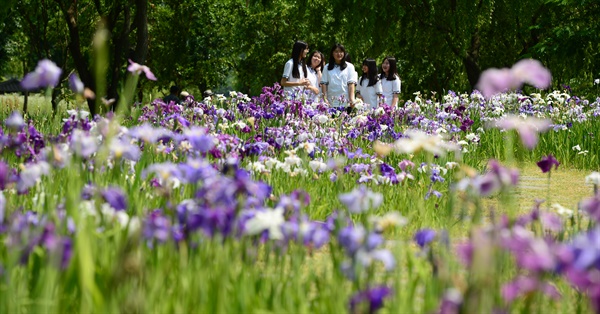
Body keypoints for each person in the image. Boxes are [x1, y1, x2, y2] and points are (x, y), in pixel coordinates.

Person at [320, 43, 357, 108]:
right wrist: (325, 99)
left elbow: (351, 84)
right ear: (332, 53)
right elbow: (324, 85)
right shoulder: (327, 67)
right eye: (336, 52)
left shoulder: (350, 67)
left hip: (345, 103)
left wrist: (352, 99)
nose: (339, 54)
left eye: (341, 51)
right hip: (331, 103)